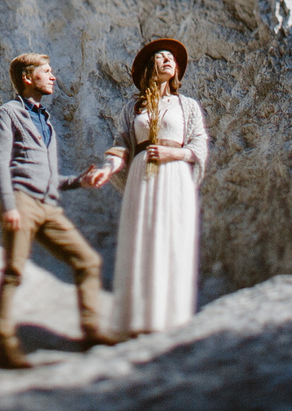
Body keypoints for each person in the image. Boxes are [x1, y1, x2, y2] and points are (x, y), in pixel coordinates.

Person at [0, 51, 119, 369]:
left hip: (48, 207)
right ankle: (4, 346)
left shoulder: (45, 120)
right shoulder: (7, 114)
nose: (53, 77)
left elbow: (47, 177)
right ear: (27, 78)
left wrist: (80, 181)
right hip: (21, 202)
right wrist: (9, 206)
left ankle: (91, 332)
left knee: (87, 261)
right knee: (14, 271)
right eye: (47, 71)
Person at [88, 36, 209, 337]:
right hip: (142, 177)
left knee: (173, 239)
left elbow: (199, 144)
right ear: (148, 66)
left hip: (175, 175)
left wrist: (174, 153)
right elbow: (121, 146)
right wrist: (106, 169)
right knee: (142, 239)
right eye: (161, 56)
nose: (169, 60)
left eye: (172, 58)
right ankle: (139, 321)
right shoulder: (132, 107)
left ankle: (172, 319)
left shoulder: (187, 106)